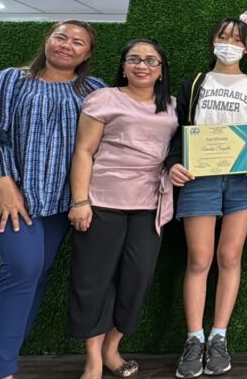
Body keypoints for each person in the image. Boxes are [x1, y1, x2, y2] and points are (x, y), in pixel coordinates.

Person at [0, 20, 104, 379]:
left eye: (77, 42)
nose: (66, 45)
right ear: (47, 40)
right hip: (10, 196)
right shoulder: (8, 80)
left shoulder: (94, 90)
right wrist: (6, 189)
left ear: (87, 54)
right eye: (60, 37)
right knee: (22, 269)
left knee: (37, 274)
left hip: (61, 201)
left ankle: (7, 358)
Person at [165, 19, 247, 379]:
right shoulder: (195, 83)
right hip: (199, 176)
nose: (228, 43)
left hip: (243, 180)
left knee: (229, 256)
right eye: (223, 36)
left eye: (236, 39)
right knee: (199, 259)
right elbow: (178, 132)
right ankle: (193, 338)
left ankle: (219, 337)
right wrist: (173, 163)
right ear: (213, 41)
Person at [66, 39, 179, 379]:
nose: (142, 65)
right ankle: (93, 360)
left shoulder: (173, 106)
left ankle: (112, 348)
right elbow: (84, 151)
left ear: (161, 70)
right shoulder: (103, 99)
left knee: (137, 279)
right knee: (93, 280)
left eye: (151, 60)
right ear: (124, 66)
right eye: (134, 59)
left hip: (150, 204)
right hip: (102, 201)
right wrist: (80, 200)